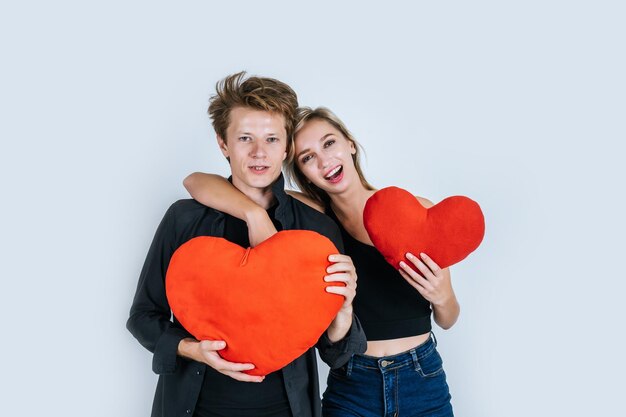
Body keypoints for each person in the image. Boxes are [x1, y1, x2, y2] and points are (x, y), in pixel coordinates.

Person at [184, 107, 460, 416]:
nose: (324, 161)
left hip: (421, 377)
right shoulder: (313, 218)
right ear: (301, 171)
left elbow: (448, 318)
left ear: (350, 144)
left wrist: (443, 296)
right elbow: (195, 181)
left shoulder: (414, 211)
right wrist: (255, 214)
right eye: (307, 157)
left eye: (329, 143)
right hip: (351, 382)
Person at [127, 74, 367, 417]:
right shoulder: (183, 220)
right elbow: (143, 317)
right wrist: (193, 349)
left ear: (286, 149)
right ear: (223, 144)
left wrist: (343, 310)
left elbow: (338, 355)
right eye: (244, 138)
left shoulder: (315, 229)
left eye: (271, 139)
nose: (259, 152)